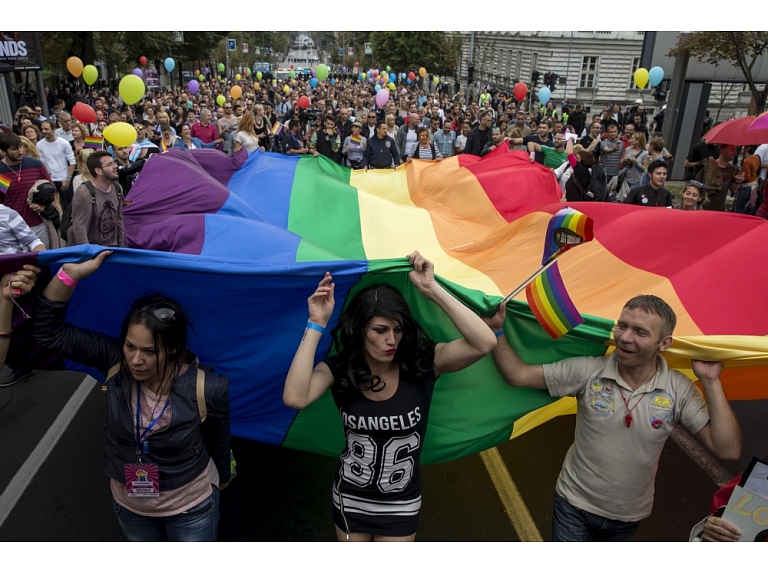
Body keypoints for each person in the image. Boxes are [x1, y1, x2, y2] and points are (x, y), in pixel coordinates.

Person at [485, 295, 741, 541]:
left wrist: (710, 380)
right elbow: (517, 375)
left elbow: (727, 449)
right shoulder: (589, 370)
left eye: (640, 332)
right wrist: (497, 331)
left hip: (628, 517)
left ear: (664, 343)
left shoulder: (678, 389)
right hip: (573, 505)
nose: (625, 338)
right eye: (622, 326)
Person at [283, 251, 496, 541]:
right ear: (359, 330)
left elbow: (484, 342)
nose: (391, 340)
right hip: (350, 499)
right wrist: (316, 323)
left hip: (400, 505)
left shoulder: (422, 364)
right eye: (380, 330)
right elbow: (295, 397)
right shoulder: (340, 369)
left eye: (397, 330)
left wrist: (432, 289)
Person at [34, 251, 233, 541]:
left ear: (174, 348)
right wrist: (69, 275)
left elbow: (219, 439)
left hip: (192, 508)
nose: (136, 360)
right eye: (130, 346)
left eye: (150, 352)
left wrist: (224, 479)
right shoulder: (115, 361)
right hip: (130, 509)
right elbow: (47, 333)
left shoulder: (208, 388)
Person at [68, 151, 125, 247]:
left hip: (112, 249)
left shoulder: (117, 188)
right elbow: (80, 230)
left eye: (114, 162)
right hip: (92, 251)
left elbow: (119, 220)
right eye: (110, 164)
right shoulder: (84, 193)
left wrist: (122, 247)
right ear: (98, 171)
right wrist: (89, 256)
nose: (115, 166)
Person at [36, 120, 76, 211]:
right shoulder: (39, 144)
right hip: (49, 180)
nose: (44, 131)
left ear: (54, 129)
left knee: (68, 207)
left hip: (63, 179)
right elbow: (41, 163)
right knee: (53, 207)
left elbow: (72, 162)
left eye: (46, 129)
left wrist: (68, 179)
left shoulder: (64, 143)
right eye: (42, 129)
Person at [695, 144, 745, 212]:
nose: (735, 152)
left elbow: (733, 189)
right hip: (703, 209)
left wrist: (738, 182)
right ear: (722, 151)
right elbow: (695, 186)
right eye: (732, 149)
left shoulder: (732, 169)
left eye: (736, 150)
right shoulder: (708, 165)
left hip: (720, 209)